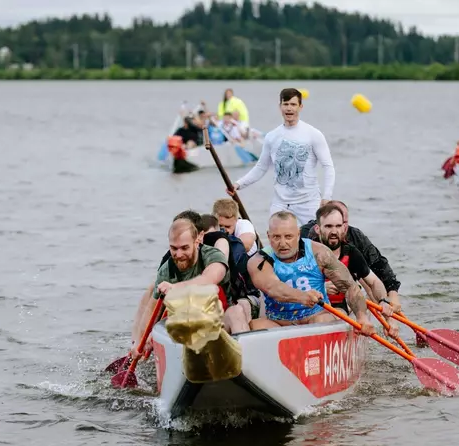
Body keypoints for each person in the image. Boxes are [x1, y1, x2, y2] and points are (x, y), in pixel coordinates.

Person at [131, 219, 250, 359]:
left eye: (184, 248)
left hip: (221, 323)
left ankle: (245, 361)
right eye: (174, 248)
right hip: (188, 326)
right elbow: (151, 309)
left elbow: (209, 279)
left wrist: (175, 288)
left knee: (236, 311)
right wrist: (140, 342)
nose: (179, 254)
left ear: (197, 240)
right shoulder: (167, 270)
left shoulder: (212, 256)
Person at [246, 211, 375, 334]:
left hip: (316, 317)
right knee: (256, 325)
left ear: (298, 234)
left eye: (288, 236)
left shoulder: (319, 252)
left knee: (323, 320)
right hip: (280, 323)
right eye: (276, 237)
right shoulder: (258, 261)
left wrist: (361, 317)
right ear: (268, 236)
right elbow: (273, 288)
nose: (283, 243)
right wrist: (302, 297)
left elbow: (349, 287)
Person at [228, 88, 336, 227]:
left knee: (311, 244)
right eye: (286, 104)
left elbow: (328, 166)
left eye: (293, 104)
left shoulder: (313, 134)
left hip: (308, 203)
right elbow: (261, 167)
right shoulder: (272, 137)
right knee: (278, 242)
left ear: (300, 107)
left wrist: (327, 196)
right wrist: (238, 184)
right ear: (280, 107)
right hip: (281, 203)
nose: (289, 108)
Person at [300, 200, 402, 314]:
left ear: (344, 226)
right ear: (317, 228)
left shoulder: (353, 245)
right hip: (305, 305)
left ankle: (383, 322)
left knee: (364, 283)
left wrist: (386, 300)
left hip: (337, 306)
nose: (334, 231)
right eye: (329, 226)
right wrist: (321, 287)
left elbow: (377, 275)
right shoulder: (303, 248)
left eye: (339, 225)